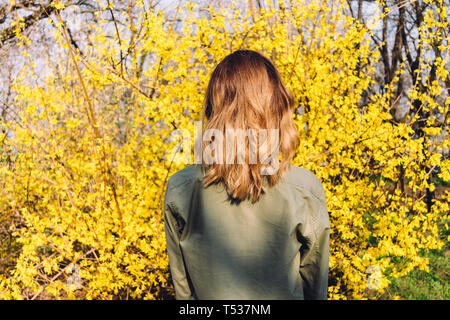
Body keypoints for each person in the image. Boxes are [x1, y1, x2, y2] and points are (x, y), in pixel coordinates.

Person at [163, 50, 330, 300]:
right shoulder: (303, 189)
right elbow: (315, 288)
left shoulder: (181, 188)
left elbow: (183, 290)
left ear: (214, 105)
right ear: (276, 105)